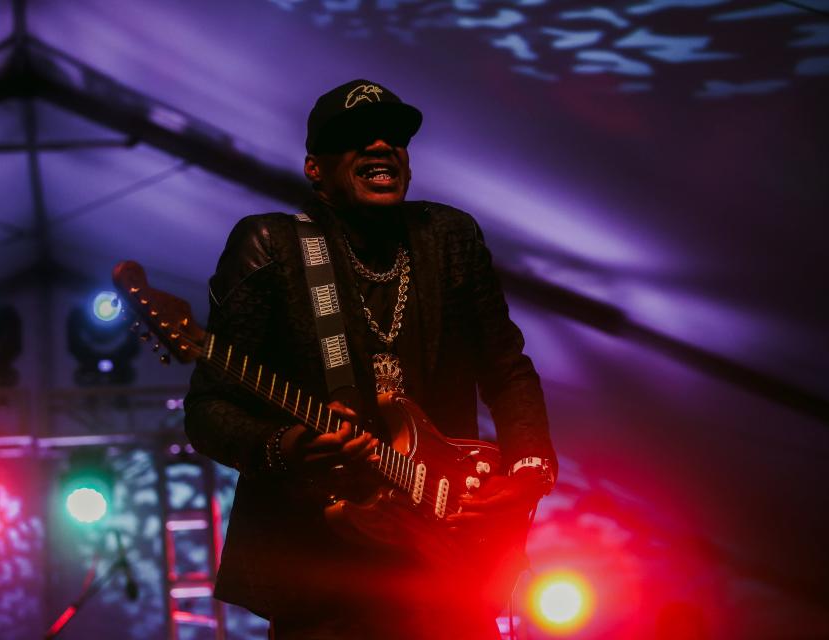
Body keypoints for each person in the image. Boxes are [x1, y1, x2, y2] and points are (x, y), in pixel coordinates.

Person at [184, 79, 556, 639]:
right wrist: (284, 446)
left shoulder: (449, 237)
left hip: (445, 561)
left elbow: (506, 366)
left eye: (395, 136)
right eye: (356, 137)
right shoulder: (271, 248)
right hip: (323, 582)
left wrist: (528, 469)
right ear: (315, 168)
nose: (381, 146)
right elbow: (208, 407)